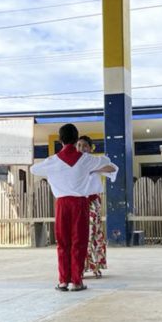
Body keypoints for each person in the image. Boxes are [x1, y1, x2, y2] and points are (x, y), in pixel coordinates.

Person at [30, 124, 116, 291]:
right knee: (79, 242)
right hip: (80, 204)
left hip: (61, 204)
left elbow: (34, 169)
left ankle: (63, 281)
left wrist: (54, 171)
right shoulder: (86, 159)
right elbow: (108, 163)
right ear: (76, 140)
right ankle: (77, 281)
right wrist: (93, 168)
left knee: (62, 243)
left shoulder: (52, 161)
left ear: (60, 140)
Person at [76, 136, 118, 278]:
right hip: (78, 201)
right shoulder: (73, 162)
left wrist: (94, 168)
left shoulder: (94, 161)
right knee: (79, 234)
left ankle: (94, 266)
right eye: (79, 145)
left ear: (90, 148)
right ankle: (80, 267)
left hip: (93, 201)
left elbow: (112, 168)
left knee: (93, 233)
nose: (81, 148)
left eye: (85, 146)